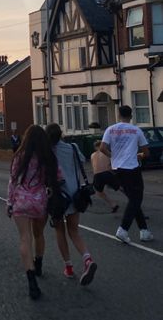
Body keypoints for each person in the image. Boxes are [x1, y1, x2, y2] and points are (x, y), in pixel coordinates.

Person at [7, 125, 59, 299]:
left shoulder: (20, 156)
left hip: (21, 201)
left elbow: (13, 181)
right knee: (39, 234)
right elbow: (58, 178)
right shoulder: (48, 157)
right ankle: (39, 264)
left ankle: (31, 281)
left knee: (24, 238)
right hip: (40, 201)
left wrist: (9, 202)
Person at [45, 124, 97, 286]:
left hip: (57, 197)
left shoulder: (47, 153)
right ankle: (87, 259)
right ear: (61, 134)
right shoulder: (72, 147)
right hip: (75, 195)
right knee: (74, 231)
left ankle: (68, 267)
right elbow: (82, 161)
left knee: (60, 231)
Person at [100, 105, 153, 244]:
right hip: (131, 168)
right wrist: (138, 156)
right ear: (131, 116)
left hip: (117, 169)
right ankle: (123, 229)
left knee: (132, 200)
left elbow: (102, 148)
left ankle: (144, 231)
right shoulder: (136, 130)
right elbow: (146, 152)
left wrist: (113, 156)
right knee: (136, 199)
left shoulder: (110, 129)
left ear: (119, 115)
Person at [90, 140, 119, 213]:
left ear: (95, 147)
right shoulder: (107, 153)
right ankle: (131, 199)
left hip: (97, 175)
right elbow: (112, 165)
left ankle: (113, 204)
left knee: (99, 192)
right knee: (120, 187)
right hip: (107, 173)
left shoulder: (92, 155)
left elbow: (94, 167)